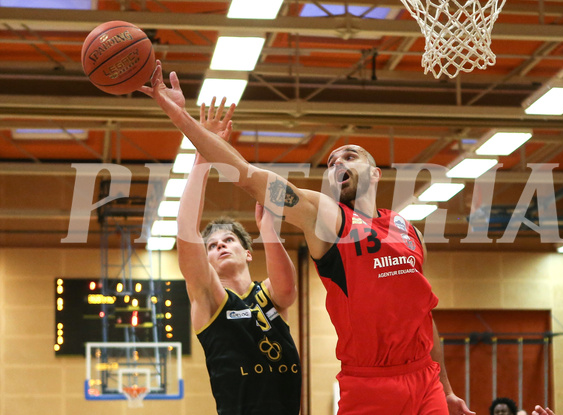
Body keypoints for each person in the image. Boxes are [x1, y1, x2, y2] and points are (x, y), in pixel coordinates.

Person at [140, 61, 472, 415]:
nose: (337, 163)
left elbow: (422, 314)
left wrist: (446, 388)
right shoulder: (325, 216)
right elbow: (247, 175)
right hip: (371, 383)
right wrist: (181, 120)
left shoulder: (410, 231)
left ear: (375, 173)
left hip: (425, 380)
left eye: (349, 156)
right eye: (330, 162)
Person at [176, 98, 301, 415]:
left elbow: (288, 290)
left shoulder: (269, 295)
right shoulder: (210, 298)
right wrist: (204, 150)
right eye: (212, 245)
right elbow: (186, 227)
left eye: (228, 239)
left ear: (248, 253)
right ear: (206, 261)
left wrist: (267, 228)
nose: (219, 245)